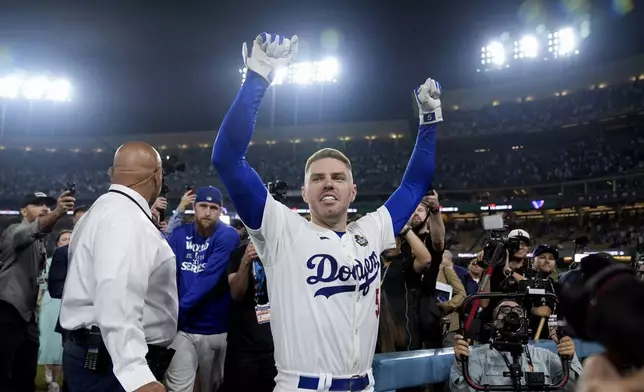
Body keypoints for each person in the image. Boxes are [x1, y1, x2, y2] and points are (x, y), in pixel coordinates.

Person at [212, 33, 441, 392]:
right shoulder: (281, 230)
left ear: (353, 191)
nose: (328, 183)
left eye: (338, 177)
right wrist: (258, 76)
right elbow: (227, 158)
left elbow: (414, 185)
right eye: (317, 179)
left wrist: (429, 119)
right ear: (304, 192)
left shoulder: (372, 231)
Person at [60, 141, 178, 392]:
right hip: (113, 366)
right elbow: (117, 297)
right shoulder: (127, 218)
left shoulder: (99, 210)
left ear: (112, 173)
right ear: (157, 176)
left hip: (96, 355)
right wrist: (137, 375)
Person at [164, 186, 239, 392]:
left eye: (213, 207)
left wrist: (175, 312)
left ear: (220, 211)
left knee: (213, 387)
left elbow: (208, 278)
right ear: (194, 208)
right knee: (178, 387)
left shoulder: (227, 235)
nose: (208, 212)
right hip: (183, 329)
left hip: (214, 327)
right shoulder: (179, 235)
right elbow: (166, 270)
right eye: (203, 206)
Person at [0, 190, 75, 392]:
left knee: (25, 376)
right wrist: (59, 212)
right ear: (23, 211)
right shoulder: (14, 232)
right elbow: (30, 232)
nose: (45, 208)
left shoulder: (40, 243)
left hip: (27, 317)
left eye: (47, 205)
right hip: (7, 311)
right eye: (37, 204)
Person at [450, 300, 583, 392]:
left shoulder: (544, 356)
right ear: (494, 322)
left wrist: (569, 359)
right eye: (505, 311)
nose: (512, 315)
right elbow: (462, 390)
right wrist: (461, 363)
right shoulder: (478, 356)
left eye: (518, 312)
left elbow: (576, 388)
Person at [38, 230, 72, 392]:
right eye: (64, 239)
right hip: (49, 304)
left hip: (66, 305)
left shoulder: (81, 260)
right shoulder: (48, 262)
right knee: (48, 340)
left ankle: (57, 379)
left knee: (60, 345)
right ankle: (48, 375)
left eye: (70, 239)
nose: (67, 241)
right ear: (58, 243)